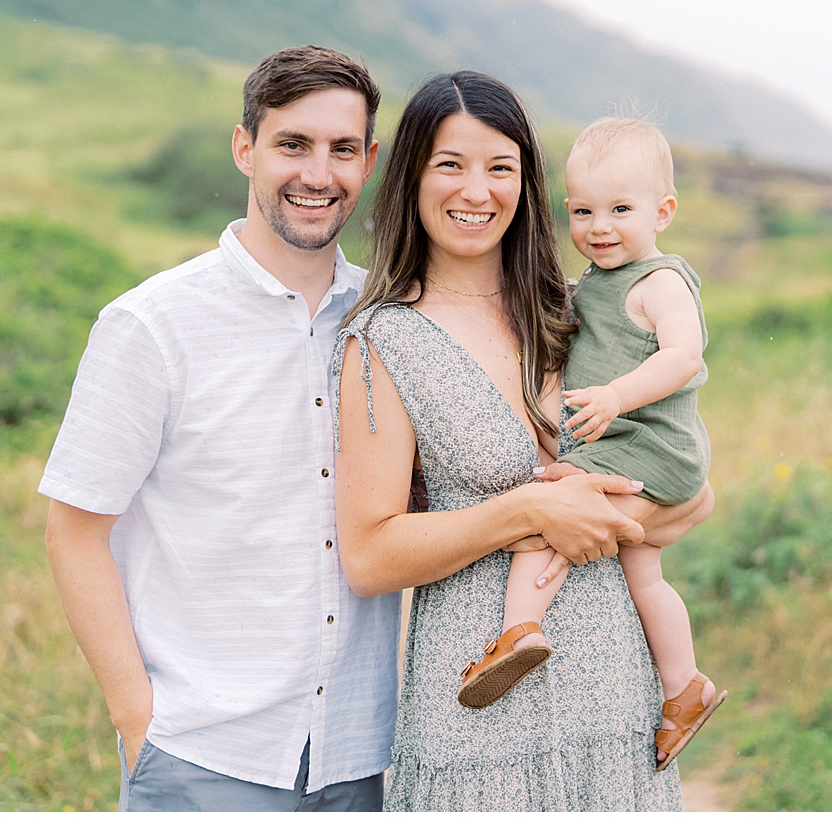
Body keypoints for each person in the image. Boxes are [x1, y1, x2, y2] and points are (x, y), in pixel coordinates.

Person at [40, 47, 697, 812]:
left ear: (371, 161)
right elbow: (75, 528)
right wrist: (137, 721)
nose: (318, 173)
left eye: (342, 149)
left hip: (392, 738)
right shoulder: (186, 326)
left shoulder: (564, 310)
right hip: (216, 743)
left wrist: (671, 502)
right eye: (293, 144)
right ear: (244, 147)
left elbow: (675, 471)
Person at [333, 71, 715, 811]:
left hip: (614, 694)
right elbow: (370, 556)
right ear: (410, 174)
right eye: (451, 164)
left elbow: (687, 494)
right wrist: (534, 513)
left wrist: (629, 508)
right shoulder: (382, 341)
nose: (477, 189)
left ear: (526, 184)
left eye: (500, 167)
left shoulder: (572, 308)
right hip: (479, 709)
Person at [471, 117, 726, 774]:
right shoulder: (593, 284)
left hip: (652, 443)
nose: (599, 225)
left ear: (663, 211)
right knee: (647, 575)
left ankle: (519, 629)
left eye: (620, 208)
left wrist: (617, 395)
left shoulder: (660, 280)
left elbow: (684, 355)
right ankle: (684, 686)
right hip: (628, 446)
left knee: (550, 504)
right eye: (583, 210)